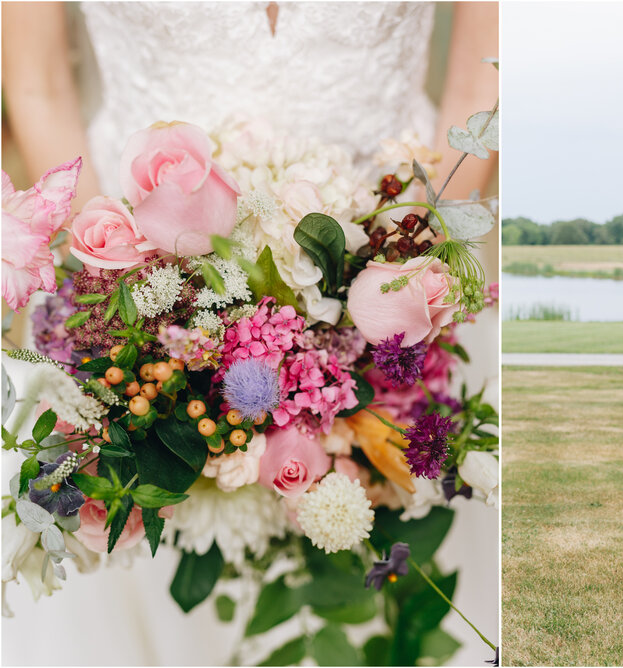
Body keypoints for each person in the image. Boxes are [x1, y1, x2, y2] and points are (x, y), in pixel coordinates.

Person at [1, 3, 498, 665]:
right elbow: (37, 86)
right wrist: (134, 317)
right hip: (129, 308)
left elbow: (482, 81)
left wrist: (384, 310)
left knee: (394, 589)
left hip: (399, 293)